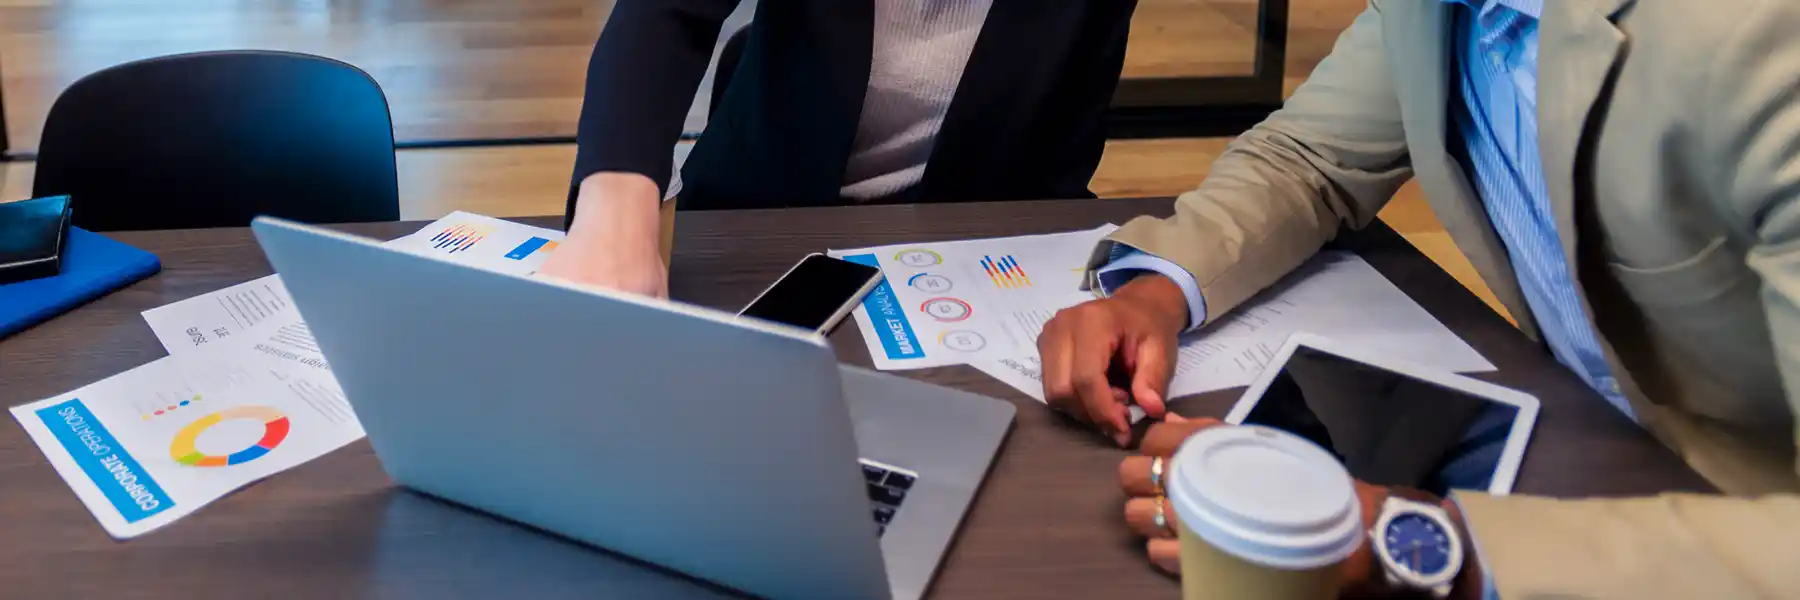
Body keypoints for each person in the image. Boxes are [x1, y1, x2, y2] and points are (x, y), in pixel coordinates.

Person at [1037, 0, 1800, 596]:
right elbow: (1311, 157)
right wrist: (1158, 290)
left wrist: (1426, 549)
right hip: (1588, 463)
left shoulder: (1765, 46)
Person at [539, 0, 1140, 296]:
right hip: (760, 216)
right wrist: (612, 209)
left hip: (971, 252)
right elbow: (663, 15)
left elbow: (1062, 141)